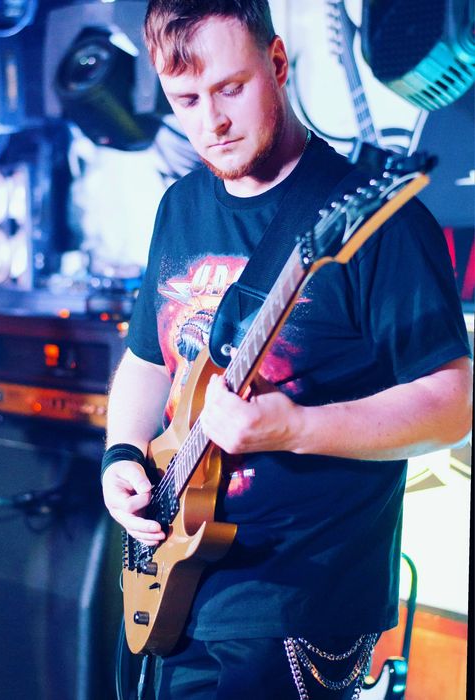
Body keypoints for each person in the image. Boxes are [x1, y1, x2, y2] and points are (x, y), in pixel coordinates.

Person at [101, 2, 473, 698]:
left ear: (276, 63)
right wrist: (121, 454)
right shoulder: (181, 205)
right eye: (186, 99)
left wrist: (294, 427)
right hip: (174, 582)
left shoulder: (375, 219)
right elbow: (149, 361)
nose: (211, 122)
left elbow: (452, 407)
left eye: (230, 89)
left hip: (302, 605)